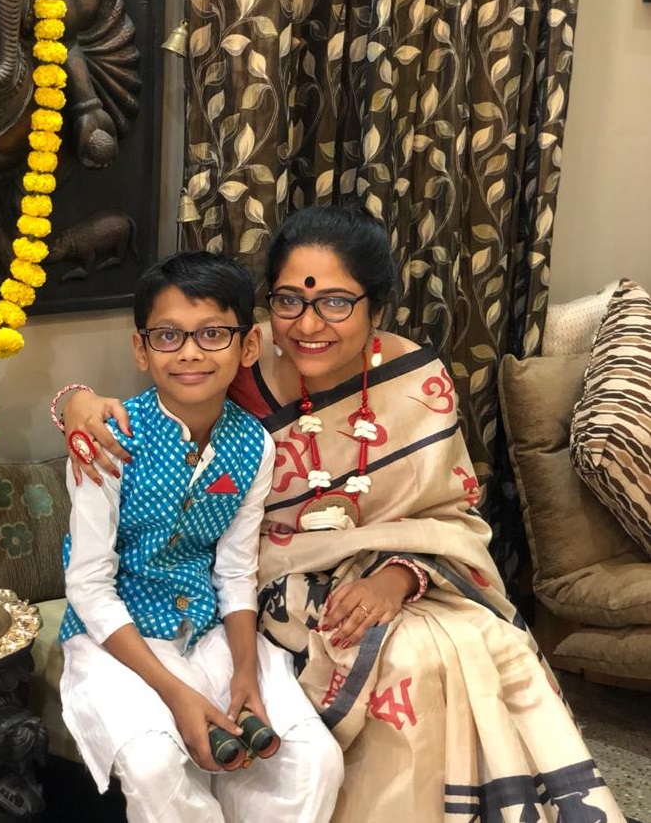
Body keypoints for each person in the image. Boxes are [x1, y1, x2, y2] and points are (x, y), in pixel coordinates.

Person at [55, 208, 626, 823]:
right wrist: (73, 401)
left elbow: (448, 512)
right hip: (278, 578)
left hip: (408, 570)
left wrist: (398, 578)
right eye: (289, 301)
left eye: (334, 302)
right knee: (405, 657)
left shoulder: (415, 378)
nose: (307, 325)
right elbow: (155, 389)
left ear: (375, 308)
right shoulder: (241, 365)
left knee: (489, 643)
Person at [57, 250, 343, 823]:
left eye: (213, 333)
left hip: (211, 631)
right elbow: (88, 586)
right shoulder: (109, 440)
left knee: (313, 761)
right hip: (115, 636)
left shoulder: (254, 445)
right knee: (153, 763)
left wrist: (245, 671)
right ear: (141, 350)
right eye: (168, 336)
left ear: (248, 346)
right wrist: (177, 693)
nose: (190, 351)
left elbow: (234, 570)